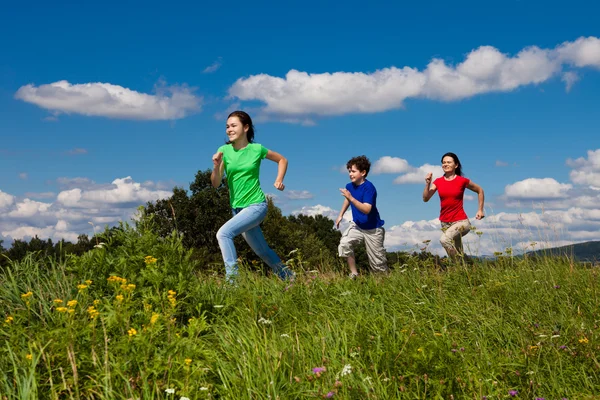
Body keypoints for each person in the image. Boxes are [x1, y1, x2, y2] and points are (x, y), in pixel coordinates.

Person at [211, 111, 293, 281]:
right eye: (227, 126)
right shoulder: (224, 151)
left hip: (256, 205)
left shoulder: (256, 149)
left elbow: (282, 159)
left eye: (234, 125)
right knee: (262, 251)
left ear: (246, 127)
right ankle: (290, 278)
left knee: (223, 234)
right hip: (238, 210)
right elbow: (216, 183)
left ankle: (232, 283)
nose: (229, 129)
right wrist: (216, 166)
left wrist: (279, 180)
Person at [422, 152, 485, 260]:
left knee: (444, 240)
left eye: (448, 162)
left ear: (456, 165)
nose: (445, 164)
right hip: (445, 222)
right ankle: (464, 269)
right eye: (443, 162)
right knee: (458, 250)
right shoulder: (438, 182)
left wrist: (480, 210)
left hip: (461, 222)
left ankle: (459, 263)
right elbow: (426, 198)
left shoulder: (462, 181)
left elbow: (480, 190)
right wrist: (428, 183)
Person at [335, 155, 388, 278]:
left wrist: (351, 198)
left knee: (377, 265)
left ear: (363, 172)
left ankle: (384, 285)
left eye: (353, 171)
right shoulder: (349, 186)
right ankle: (354, 274)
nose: (350, 174)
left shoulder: (369, 188)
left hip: (373, 229)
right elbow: (347, 201)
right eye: (349, 171)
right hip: (358, 226)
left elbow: (367, 209)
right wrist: (340, 215)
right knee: (344, 244)